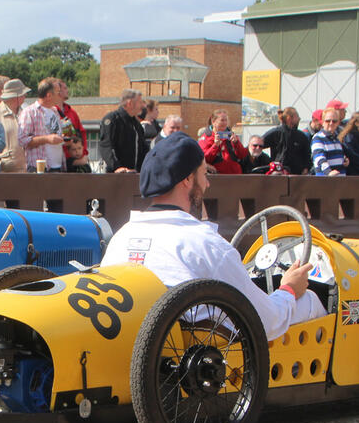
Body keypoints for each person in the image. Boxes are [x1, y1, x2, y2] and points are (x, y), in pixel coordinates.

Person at [101, 133, 325, 342]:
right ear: (188, 180)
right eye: (204, 174)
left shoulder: (120, 238)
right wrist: (288, 289)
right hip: (207, 364)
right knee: (310, 301)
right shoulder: (205, 243)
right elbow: (267, 322)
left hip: (148, 355)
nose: (207, 184)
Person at [18, 77, 66, 172]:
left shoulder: (55, 111)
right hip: (39, 168)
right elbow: (22, 140)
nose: (60, 95)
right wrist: (46, 139)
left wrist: (63, 138)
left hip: (58, 167)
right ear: (48, 95)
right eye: (58, 92)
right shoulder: (29, 112)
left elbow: (55, 134)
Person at [99, 88, 148, 173]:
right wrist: (117, 167)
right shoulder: (112, 119)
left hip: (134, 174)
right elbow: (106, 146)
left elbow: (143, 149)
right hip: (116, 176)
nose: (143, 106)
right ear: (130, 103)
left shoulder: (136, 125)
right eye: (140, 102)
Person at [0, 78, 29, 172]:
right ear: (15, 96)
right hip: (4, 170)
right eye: (23, 94)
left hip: (26, 170)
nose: (25, 96)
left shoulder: (25, 113)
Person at [260, 107, 310, 175]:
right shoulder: (276, 133)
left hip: (297, 176)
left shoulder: (301, 136)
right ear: (289, 118)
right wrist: (267, 161)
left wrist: (306, 168)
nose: (299, 119)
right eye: (297, 116)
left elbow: (307, 155)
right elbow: (258, 144)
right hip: (278, 175)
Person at [198, 109, 248, 175]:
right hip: (216, 177)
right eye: (222, 120)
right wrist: (215, 145)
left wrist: (236, 143)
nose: (224, 123)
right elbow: (204, 159)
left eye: (226, 120)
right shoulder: (206, 137)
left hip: (235, 176)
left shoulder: (231, 135)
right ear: (213, 122)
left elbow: (243, 155)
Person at [57, 80, 90, 172]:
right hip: (58, 162)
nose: (67, 90)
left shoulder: (71, 112)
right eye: (65, 88)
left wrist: (82, 153)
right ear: (57, 91)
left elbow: (82, 133)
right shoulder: (50, 112)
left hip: (75, 161)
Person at [311, 108, 348, 176]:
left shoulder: (336, 139)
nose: (331, 123)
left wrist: (344, 159)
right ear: (322, 122)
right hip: (325, 182)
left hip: (340, 181)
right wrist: (329, 172)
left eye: (334, 121)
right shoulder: (318, 138)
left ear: (338, 123)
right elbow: (320, 159)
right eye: (328, 121)